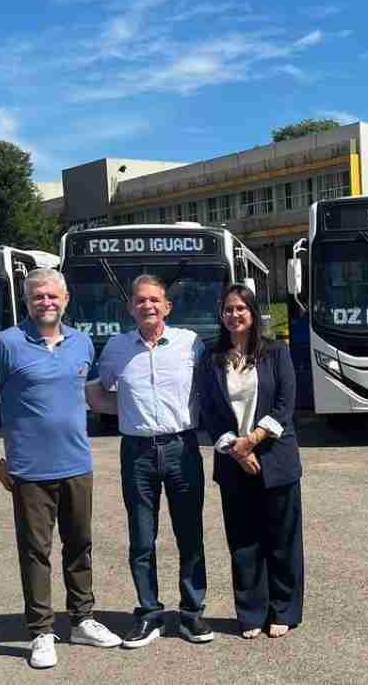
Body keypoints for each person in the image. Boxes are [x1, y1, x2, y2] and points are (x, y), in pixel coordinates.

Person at [0, 267, 123, 669]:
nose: (46, 302)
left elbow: (93, 398)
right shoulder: (6, 344)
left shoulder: (82, 344)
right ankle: (41, 631)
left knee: (80, 545)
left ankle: (83, 620)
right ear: (27, 301)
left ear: (66, 299)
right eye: (38, 297)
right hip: (30, 471)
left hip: (77, 464)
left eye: (53, 296)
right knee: (36, 551)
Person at [85, 274, 213, 648]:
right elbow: (97, 391)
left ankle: (191, 614)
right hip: (137, 451)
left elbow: (209, 391)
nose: (148, 306)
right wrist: (124, 414)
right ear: (131, 308)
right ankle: (149, 613)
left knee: (189, 534)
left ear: (167, 307)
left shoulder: (190, 344)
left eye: (155, 300)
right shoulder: (117, 347)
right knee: (142, 538)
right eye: (140, 301)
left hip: (182, 447)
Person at [196, 283, 304, 640]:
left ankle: (284, 610)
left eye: (241, 308)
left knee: (281, 540)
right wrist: (235, 449)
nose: (234, 314)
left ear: (253, 313)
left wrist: (253, 440)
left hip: (276, 460)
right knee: (243, 542)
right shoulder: (211, 357)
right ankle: (251, 612)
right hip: (233, 463)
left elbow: (285, 406)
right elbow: (210, 413)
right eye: (228, 309)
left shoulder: (276, 352)